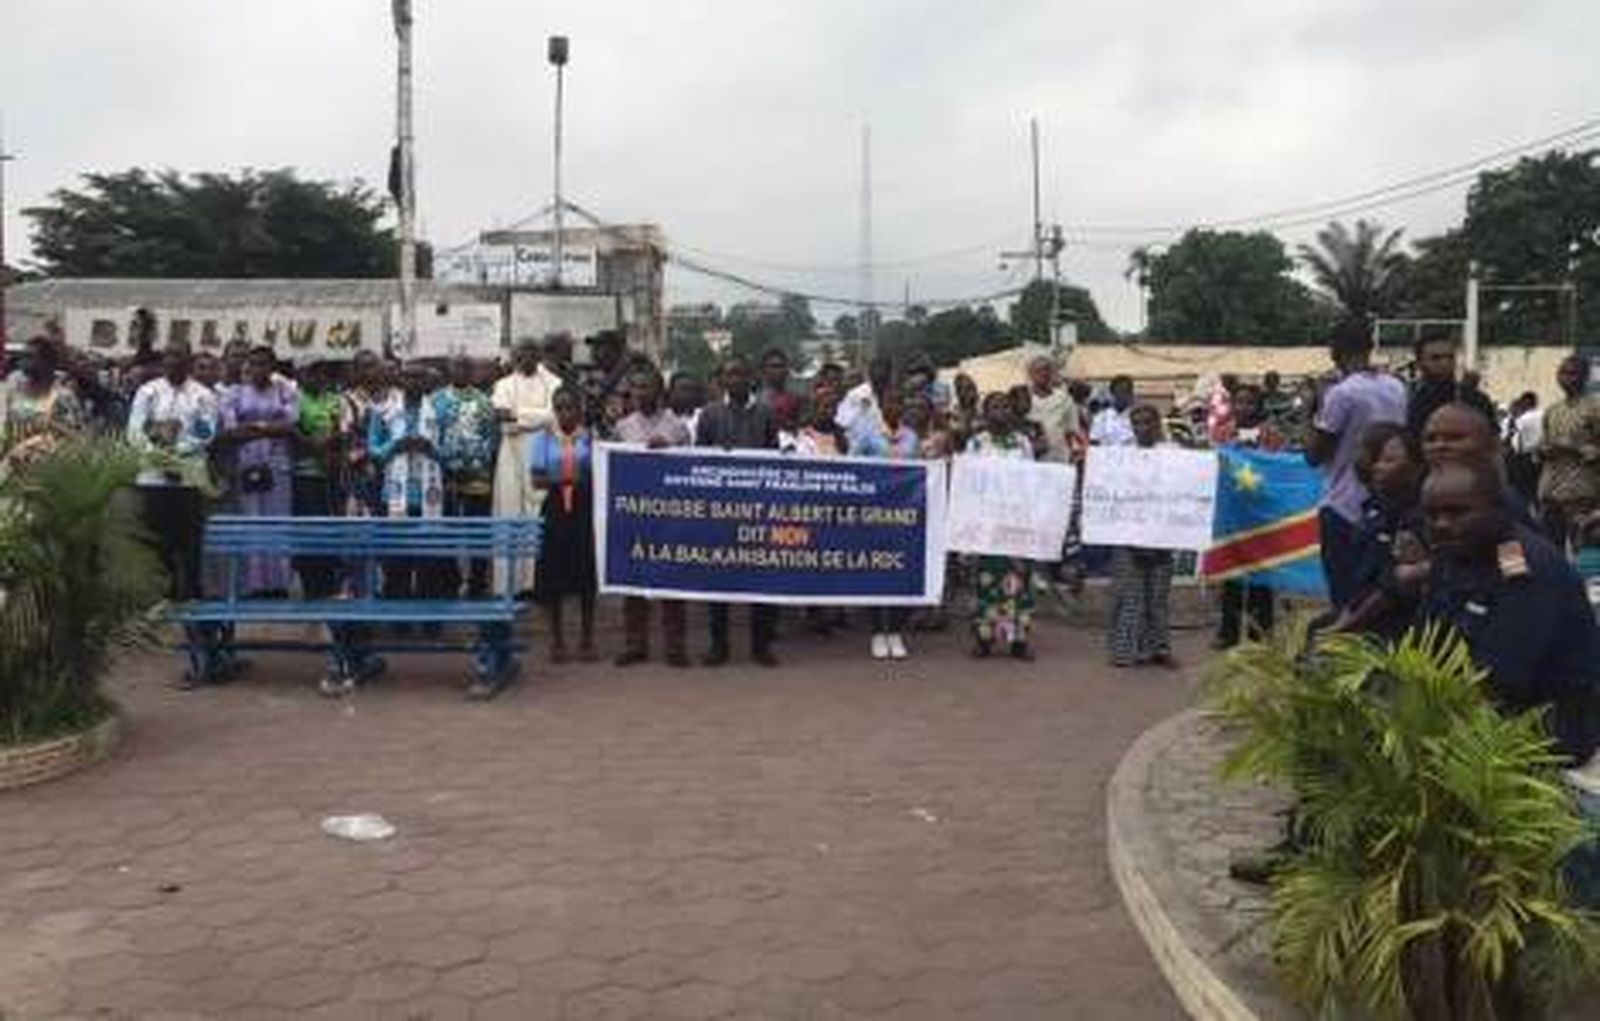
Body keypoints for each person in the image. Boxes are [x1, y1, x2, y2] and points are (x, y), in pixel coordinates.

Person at [1418, 459, 1599, 766]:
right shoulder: (1457, 551)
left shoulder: (1520, 566)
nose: (1442, 524)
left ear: (1496, 510)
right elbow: (1425, 639)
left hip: (1548, 724)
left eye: (1457, 512)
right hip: (1485, 708)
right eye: (1432, 515)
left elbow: (1500, 680)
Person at [127, 341, 219, 684]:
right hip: (152, 479)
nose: (172, 362)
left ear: (190, 361)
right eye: (168, 357)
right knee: (156, 545)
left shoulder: (203, 395)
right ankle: (161, 606)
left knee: (190, 546)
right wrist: (159, 458)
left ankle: (193, 611)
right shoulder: (148, 391)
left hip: (189, 481)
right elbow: (134, 431)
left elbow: (207, 432)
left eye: (179, 357)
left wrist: (177, 457)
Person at [1305, 320, 1407, 610]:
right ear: (1370, 347)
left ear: (1335, 351)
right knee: (1378, 593)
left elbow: (1314, 455)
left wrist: (1309, 410)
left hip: (1343, 506)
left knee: (1345, 596)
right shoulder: (1397, 387)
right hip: (1387, 504)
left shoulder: (1341, 394)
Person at [696, 354, 780, 667]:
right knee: (719, 577)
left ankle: (762, 645)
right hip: (720, 509)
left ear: (751, 378)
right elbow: (698, 461)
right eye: (730, 375)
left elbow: (774, 457)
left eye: (741, 374)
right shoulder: (709, 414)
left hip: (759, 508)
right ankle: (719, 645)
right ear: (722, 380)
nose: (735, 380)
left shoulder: (766, 412)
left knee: (762, 577)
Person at [613, 367, 693, 668]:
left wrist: (669, 451)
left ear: (659, 391)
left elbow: (690, 470)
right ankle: (636, 644)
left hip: (669, 514)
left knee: (671, 581)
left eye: (647, 387)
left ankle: (675, 646)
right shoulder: (622, 427)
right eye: (635, 387)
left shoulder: (677, 427)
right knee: (633, 581)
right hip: (634, 514)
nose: (641, 393)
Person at [1329, 423, 1428, 640]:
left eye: (1388, 460)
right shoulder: (1377, 508)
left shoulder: (1416, 516)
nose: (1376, 466)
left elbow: (1512, 574)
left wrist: (1347, 626)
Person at [218, 346, 299, 596]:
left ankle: (278, 584)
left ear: (273, 367)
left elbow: (289, 425)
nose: (258, 369)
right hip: (246, 463)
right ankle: (253, 585)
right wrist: (269, 426)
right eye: (253, 363)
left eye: (264, 364)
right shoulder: (235, 393)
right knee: (250, 520)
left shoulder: (286, 390)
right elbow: (232, 430)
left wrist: (253, 425)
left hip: (277, 464)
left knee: (277, 521)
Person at [529, 387, 598, 663]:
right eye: (559, 408)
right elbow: (536, 479)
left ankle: (587, 638)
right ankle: (557, 639)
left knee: (585, 569)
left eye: (570, 407)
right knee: (554, 571)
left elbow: (599, 470)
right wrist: (564, 481)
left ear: (579, 409)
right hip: (556, 505)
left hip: (584, 506)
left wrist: (582, 482)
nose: (565, 413)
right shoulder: (543, 438)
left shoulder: (590, 437)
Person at [966, 392, 1037, 659]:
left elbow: (1032, 479)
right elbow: (969, 481)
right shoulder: (976, 443)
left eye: (1005, 406)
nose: (1001, 411)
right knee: (986, 581)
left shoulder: (1022, 443)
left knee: (1018, 580)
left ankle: (1018, 640)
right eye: (994, 407)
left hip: (1016, 519)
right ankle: (984, 639)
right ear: (985, 413)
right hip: (987, 520)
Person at [369, 362, 447, 601]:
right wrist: (396, 446)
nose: (414, 382)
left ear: (426, 381)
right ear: (401, 380)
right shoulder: (384, 409)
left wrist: (430, 448)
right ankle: (398, 619)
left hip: (428, 496)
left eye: (419, 377)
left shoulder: (439, 409)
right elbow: (373, 447)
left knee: (429, 561)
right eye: (409, 377)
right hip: (394, 494)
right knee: (396, 560)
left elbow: (449, 451)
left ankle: (428, 621)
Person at [491, 338, 562, 594]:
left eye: (531, 351)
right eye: (520, 352)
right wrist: (538, 417)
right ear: (514, 356)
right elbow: (502, 416)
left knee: (539, 513)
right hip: (510, 454)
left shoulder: (554, 383)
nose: (525, 357)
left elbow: (556, 416)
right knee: (510, 512)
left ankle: (537, 583)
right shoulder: (503, 384)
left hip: (542, 451)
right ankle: (508, 584)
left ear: (539, 354)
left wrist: (519, 418)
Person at [1109, 406, 1178, 668]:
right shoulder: (1120, 456)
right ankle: (1124, 651)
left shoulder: (1172, 454)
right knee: (1129, 594)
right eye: (1137, 423)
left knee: (1158, 596)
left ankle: (1159, 649)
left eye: (1148, 422)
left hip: (1162, 534)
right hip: (1128, 536)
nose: (1143, 428)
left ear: (1157, 424)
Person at [1213, 384, 1280, 649]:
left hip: (1261, 513)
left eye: (1249, 402)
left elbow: (1278, 467)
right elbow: (1215, 464)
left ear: (1259, 406)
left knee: (1261, 577)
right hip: (1232, 512)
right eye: (1238, 402)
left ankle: (1260, 634)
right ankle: (1228, 632)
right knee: (1232, 574)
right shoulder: (1222, 433)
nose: (1243, 407)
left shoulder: (1271, 434)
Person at [434, 355, 499, 597]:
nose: (461, 371)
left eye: (466, 367)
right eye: (457, 366)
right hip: (445, 478)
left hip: (477, 476)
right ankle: (450, 580)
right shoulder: (436, 399)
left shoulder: (485, 401)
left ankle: (477, 583)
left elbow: (491, 438)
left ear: (472, 372)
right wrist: (447, 464)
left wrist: (475, 462)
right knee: (447, 530)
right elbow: (432, 434)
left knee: (478, 531)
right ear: (449, 370)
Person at [290, 360, 344, 599]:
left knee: (330, 530)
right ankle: (312, 587)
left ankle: (330, 585)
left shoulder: (333, 399)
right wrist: (316, 448)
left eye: (321, 371)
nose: (317, 375)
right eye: (311, 371)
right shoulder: (294, 398)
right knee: (309, 531)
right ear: (300, 374)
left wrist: (334, 444)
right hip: (304, 474)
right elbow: (292, 432)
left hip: (331, 475)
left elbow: (340, 430)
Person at [1538, 354, 1600, 555]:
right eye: (1561, 372)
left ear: (1584, 377)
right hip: (1550, 492)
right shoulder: (1552, 410)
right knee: (1550, 551)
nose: (1564, 378)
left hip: (1581, 493)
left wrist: (1573, 448)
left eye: (1571, 373)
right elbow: (1542, 446)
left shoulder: (1595, 407)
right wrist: (1543, 450)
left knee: (1583, 552)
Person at [1, 335, 84, 471]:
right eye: (23, 356)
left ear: (47, 361)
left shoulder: (63, 396)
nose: (23, 361)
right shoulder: (15, 392)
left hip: (45, 473)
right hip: (12, 470)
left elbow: (78, 438)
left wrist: (50, 424)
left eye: (30, 356)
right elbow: (8, 429)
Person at [1405, 331, 1495, 439]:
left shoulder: (1475, 400)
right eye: (1436, 358)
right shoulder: (1409, 401)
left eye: (1450, 357)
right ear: (1420, 363)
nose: (1445, 363)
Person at [1023, 354, 1079, 464]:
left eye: (1047, 370)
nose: (1044, 374)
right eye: (1038, 371)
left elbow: (1071, 431)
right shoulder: (1023, 397)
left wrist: (1074, 452)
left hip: (1059, 457)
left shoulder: (1064, 398)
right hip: (1031, 459)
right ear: (1030, 374)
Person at [836, 354, 894, 455]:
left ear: (889, 374)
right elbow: (841, 423)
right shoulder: (856, 394)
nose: (880, 373)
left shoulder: (894, 395)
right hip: (858, 450)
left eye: (883, 370)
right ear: (869, 372)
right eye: (876, 369)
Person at [1505, 390, 1542, 507]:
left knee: (1523, 492)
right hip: (1540, 457)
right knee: (1537, 490)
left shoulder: (1522, 419)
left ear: (1524, 403)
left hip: (1523, 460)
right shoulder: (1544, 415)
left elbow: (1516, 443)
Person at [1089, 375, 1137, 446]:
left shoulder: (1137, 417)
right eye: (1119, 392)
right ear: (1112, 394)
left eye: (1126, 392)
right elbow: (1094, 442)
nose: (1122, 396)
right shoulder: (1101, 417)